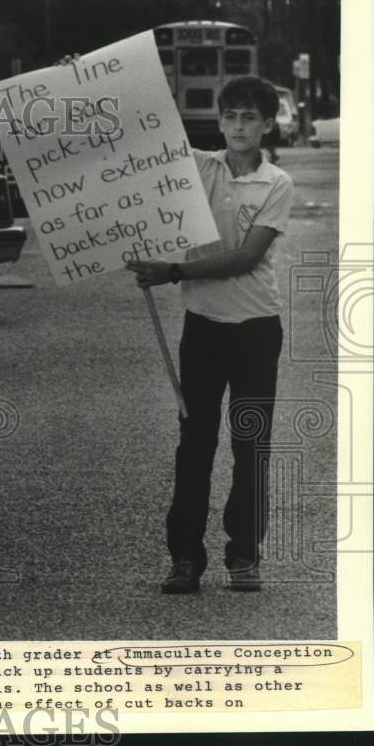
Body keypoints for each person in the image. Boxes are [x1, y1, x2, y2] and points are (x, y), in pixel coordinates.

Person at [127, 76, 293, 595]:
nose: (239, 126)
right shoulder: (199, 167)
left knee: (251, 444)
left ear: (268, 125)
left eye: (249, 117)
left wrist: (173, 270)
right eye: (230, 116)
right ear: (219, 121)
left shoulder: (277, 183)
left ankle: (244, 555)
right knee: (194, 443)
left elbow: (247, 257)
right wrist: (82, 81)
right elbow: (139, 137)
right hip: (202, 329)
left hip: (256, 331)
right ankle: (184, 559)